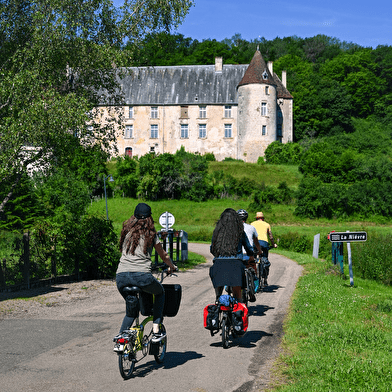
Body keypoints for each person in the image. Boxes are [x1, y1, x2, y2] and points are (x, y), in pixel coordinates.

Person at [115, 203, 177, 346]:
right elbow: (164, 256)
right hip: (141, 276)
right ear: (149, 218)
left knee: (131, 308)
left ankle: (122, 338)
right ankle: (156, 328)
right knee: (160, 292)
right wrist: (172, 267)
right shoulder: (151, 233)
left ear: (134, 217)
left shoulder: (127, 232)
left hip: (121, 277)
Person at [209, 208, 255, 302]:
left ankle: (218, 298)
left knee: (219, 281)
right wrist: (251, 254)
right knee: (238, 296)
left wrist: (219, 256)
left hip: (219, 264)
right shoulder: (240, 232)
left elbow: (212, 249)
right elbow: (248, 248)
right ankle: (238, 307)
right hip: (235, 264)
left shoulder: (217, 232)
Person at [237, 209, 263, 297]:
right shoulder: (251, 228)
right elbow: (256, 242)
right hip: (248, 255)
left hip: (237, 255)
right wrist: (259, 251)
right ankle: (252, 290)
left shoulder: (233, 229)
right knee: (253, 270)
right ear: (246, 218)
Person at [250, 211, 277, 286]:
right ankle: (265, 280)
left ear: (256, 218)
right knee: (265, 259)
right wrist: (273, 244)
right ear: (263, 218)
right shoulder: (267, 224)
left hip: (254, 243)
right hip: (264, 243)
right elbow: (270, 236)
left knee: (253, 260)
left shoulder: (252, 224)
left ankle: (252, 277)